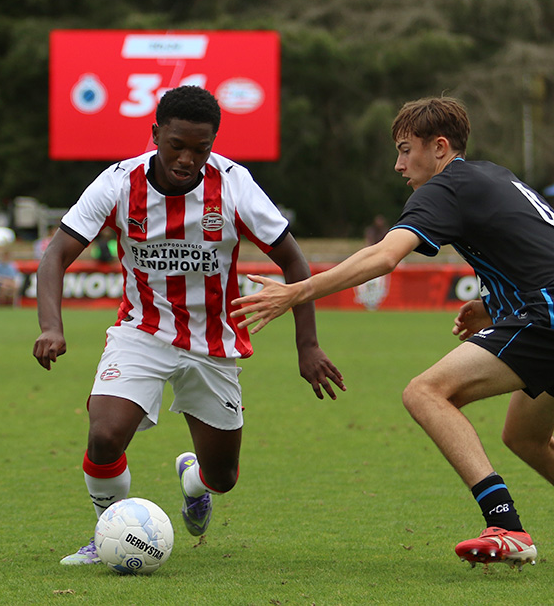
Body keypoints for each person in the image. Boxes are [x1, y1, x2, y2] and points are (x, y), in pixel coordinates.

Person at [232, 96, 554, 568]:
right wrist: (492, 306)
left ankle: (507, 527)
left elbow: (384, 256)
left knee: (425, 392)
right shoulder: (493, 175)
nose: (399, 165)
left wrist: (298, 291)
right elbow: (551, 247)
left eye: (404, 150)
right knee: (525, 436)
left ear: (439, 147)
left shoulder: (445, 186)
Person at [33, 86, 344, 565]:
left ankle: (193, 481)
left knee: (223, 477)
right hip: (142, 331)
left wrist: (308, 345)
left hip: (213, 343)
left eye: (201, 149)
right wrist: (51, 327)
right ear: (155, 133)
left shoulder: (234, 185)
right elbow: (55, 255)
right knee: (104, 435)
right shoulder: (118, 183)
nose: (187, 159)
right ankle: (106, 533)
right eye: (176, 145)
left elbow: (294, 261)